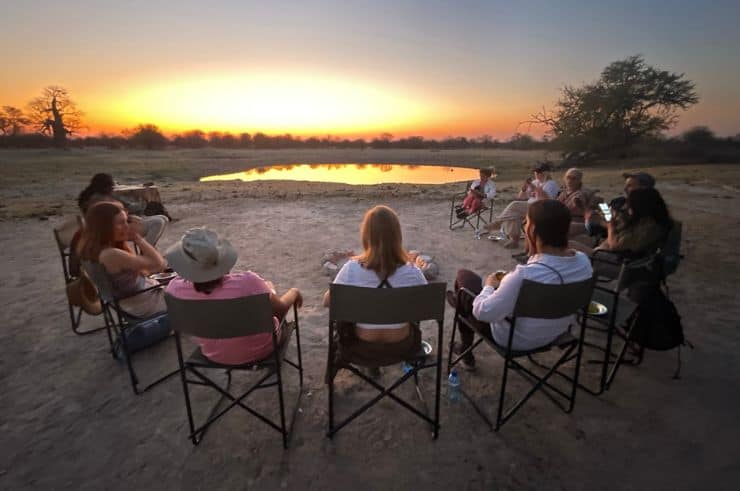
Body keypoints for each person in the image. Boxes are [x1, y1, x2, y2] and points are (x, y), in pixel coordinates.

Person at [450, 199, 593, 370]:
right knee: (474, 295)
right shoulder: (584, 262)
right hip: (558, 332)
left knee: (464, 279)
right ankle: (458, 305)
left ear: (533, 230)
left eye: (526, 223)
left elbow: (483, 312)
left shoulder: (524, 275)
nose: (524, 226)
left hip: (516, 339)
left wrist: (489, 285)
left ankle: (465, 347)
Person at [165, 228, 303, 365]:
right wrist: (294, 292)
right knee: (267, 292)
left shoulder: (174, 289)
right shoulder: (249, 283)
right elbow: (280, 310)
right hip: (261, 350)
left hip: (213, 354)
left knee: (265, 290)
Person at [322, 205, 427, 374]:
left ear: (366, 236)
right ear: (397, 236)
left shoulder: (351, 270)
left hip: (361, 346)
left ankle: (372, 366)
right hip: (402, 346)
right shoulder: (412, 272)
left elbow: (327, 301)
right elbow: (426, 303)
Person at [77, 201, 167, 318]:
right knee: (190, 289)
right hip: (143, 305)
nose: (126, 227)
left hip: (127, 304)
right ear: (104, 227)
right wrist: (138, 239)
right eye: (120, 223)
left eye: (126, 221)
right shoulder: (111, 255)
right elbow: (159, 264)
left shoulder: (88, 249)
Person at [77, 173, 169, 246]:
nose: (112, 189)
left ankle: (148, 249)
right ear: (105, 186)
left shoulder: (92, 196)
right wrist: (142, 203)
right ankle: (146, 251)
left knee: (162, 218)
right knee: (159, 222)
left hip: (111, 227)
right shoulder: (101, 200)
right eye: (111, 186)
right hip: (113, 230)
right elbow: (112, 216)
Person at [484, 161, 560, 249]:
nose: (537, 174)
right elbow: (520, 197)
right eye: (535, 172)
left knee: (514, 206)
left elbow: (546, 200)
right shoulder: (535, 182)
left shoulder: (551, 184)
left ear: (546, 173)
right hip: (529, 206)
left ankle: (498, 223)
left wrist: (534, 188)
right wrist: (523, 190)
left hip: (542, 208)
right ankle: (514, 240)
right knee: (512, 214)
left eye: (539, 172)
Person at [580, 187, 672, 258]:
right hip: (606, 248)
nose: (626, 188)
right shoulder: (645, 219)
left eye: (630, 185)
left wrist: (609, 223)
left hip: (613, 261)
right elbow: (614, 222)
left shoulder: (648, 228)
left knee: (571, 245)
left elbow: (614, 245)